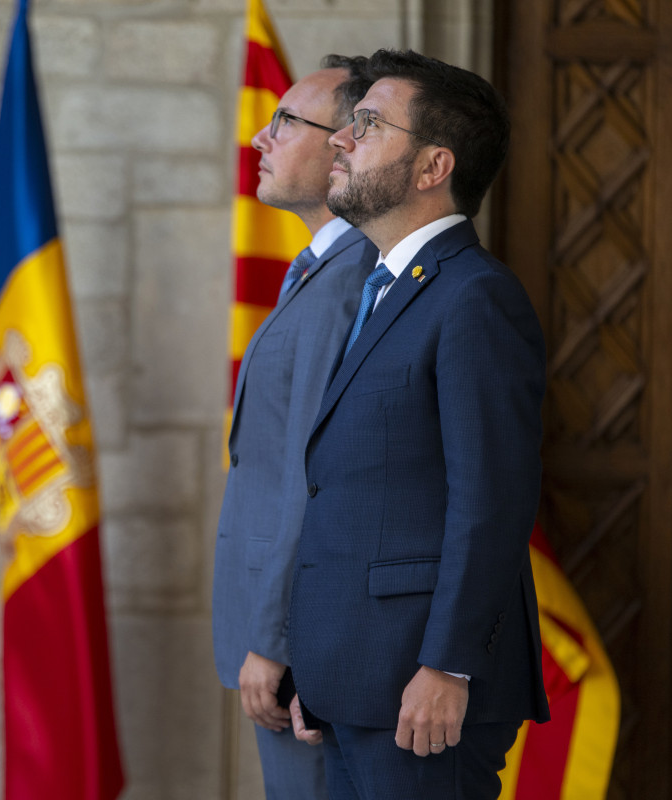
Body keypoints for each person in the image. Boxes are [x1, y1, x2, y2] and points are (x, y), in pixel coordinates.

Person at [285, 49, 550, 799]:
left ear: (434, 166)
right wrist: (321, 665)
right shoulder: (387, 290)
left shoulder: (474, 297)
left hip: (421, 689)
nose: (340, 138)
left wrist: (448, 665)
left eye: (367, 124)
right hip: (356, 680)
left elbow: (490, 499)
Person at [212, 55, 378, 800]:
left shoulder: (350, 283)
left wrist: (276, 643)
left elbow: (316, 475)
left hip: (296, 650)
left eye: (286, 121)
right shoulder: (317, 270)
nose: (259, 136)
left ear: (347, 143)